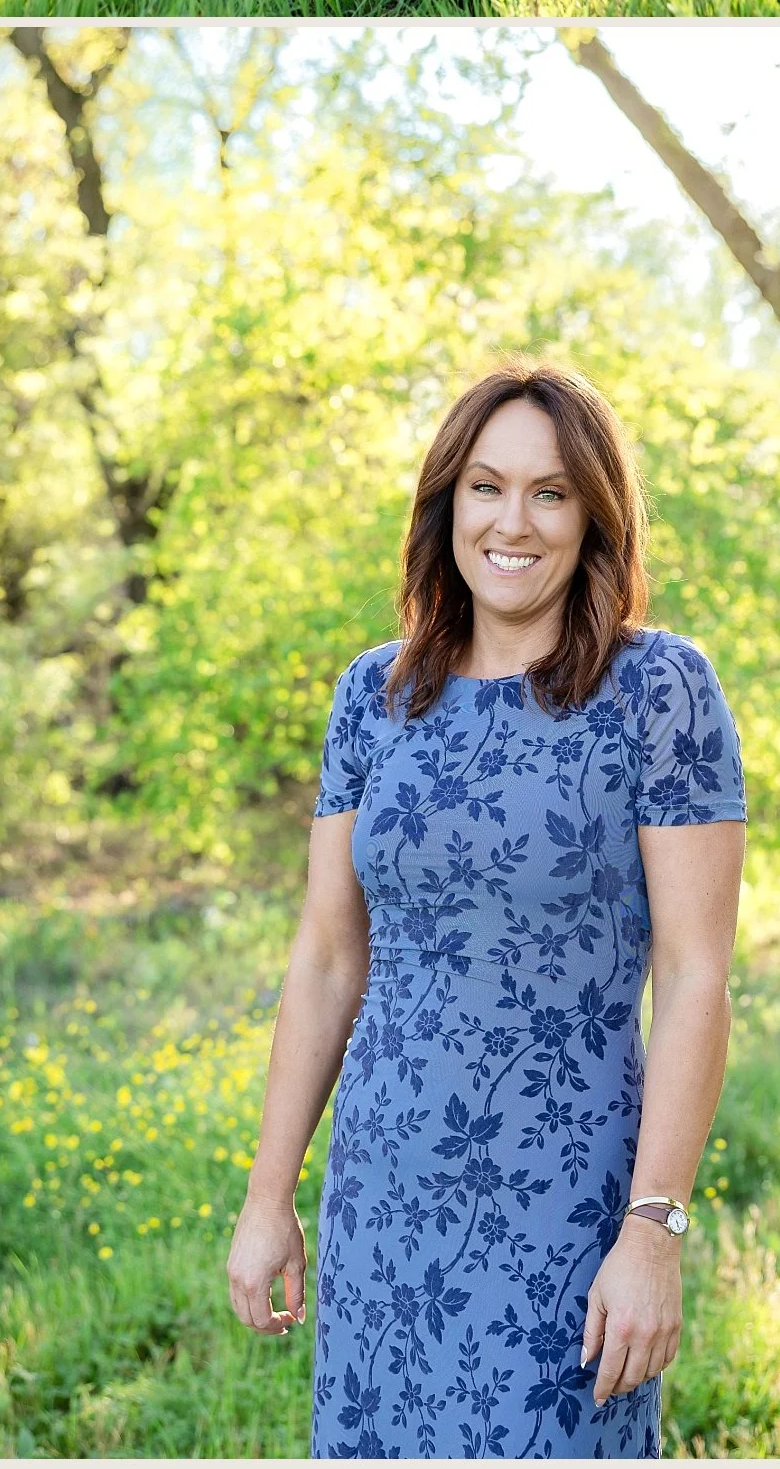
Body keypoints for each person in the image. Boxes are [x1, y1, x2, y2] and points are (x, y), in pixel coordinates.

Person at [225, 364, 745, 1460]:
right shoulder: (374, 694)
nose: (513, 521)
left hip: (567, 1203)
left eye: (550, 494)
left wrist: (654, 1227)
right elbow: (326, 960)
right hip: (382, 1190)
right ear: (444, 505)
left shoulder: (658, 692)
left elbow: (695, 975)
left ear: (592, 517)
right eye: (484, 487)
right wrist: (267, 1197)